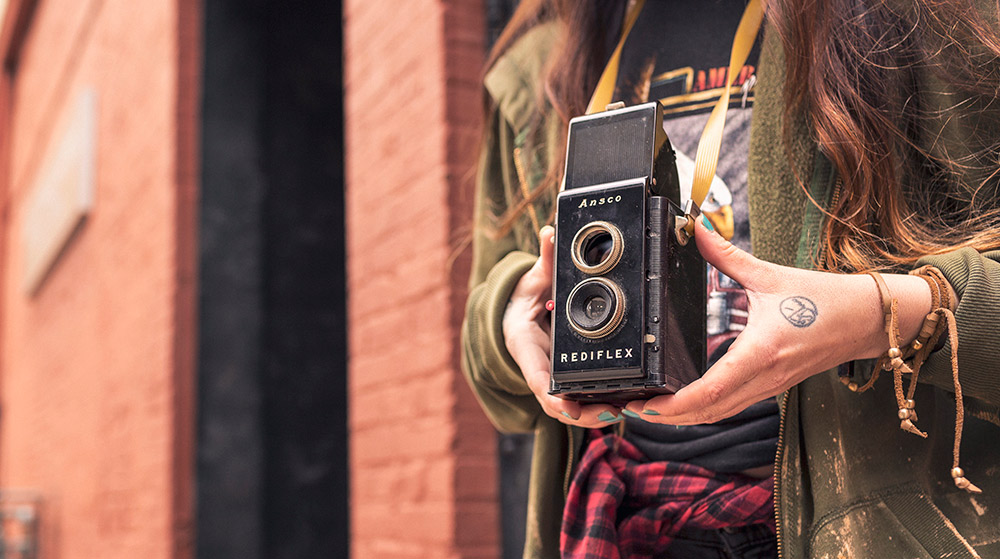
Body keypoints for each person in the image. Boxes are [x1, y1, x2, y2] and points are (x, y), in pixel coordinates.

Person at [461, 1, 1000, 558]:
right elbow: (495, 365)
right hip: (621, 524)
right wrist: (508, 321)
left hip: (856, 531)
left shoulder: (924, 15)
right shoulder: (541, 66)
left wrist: (883, 316)